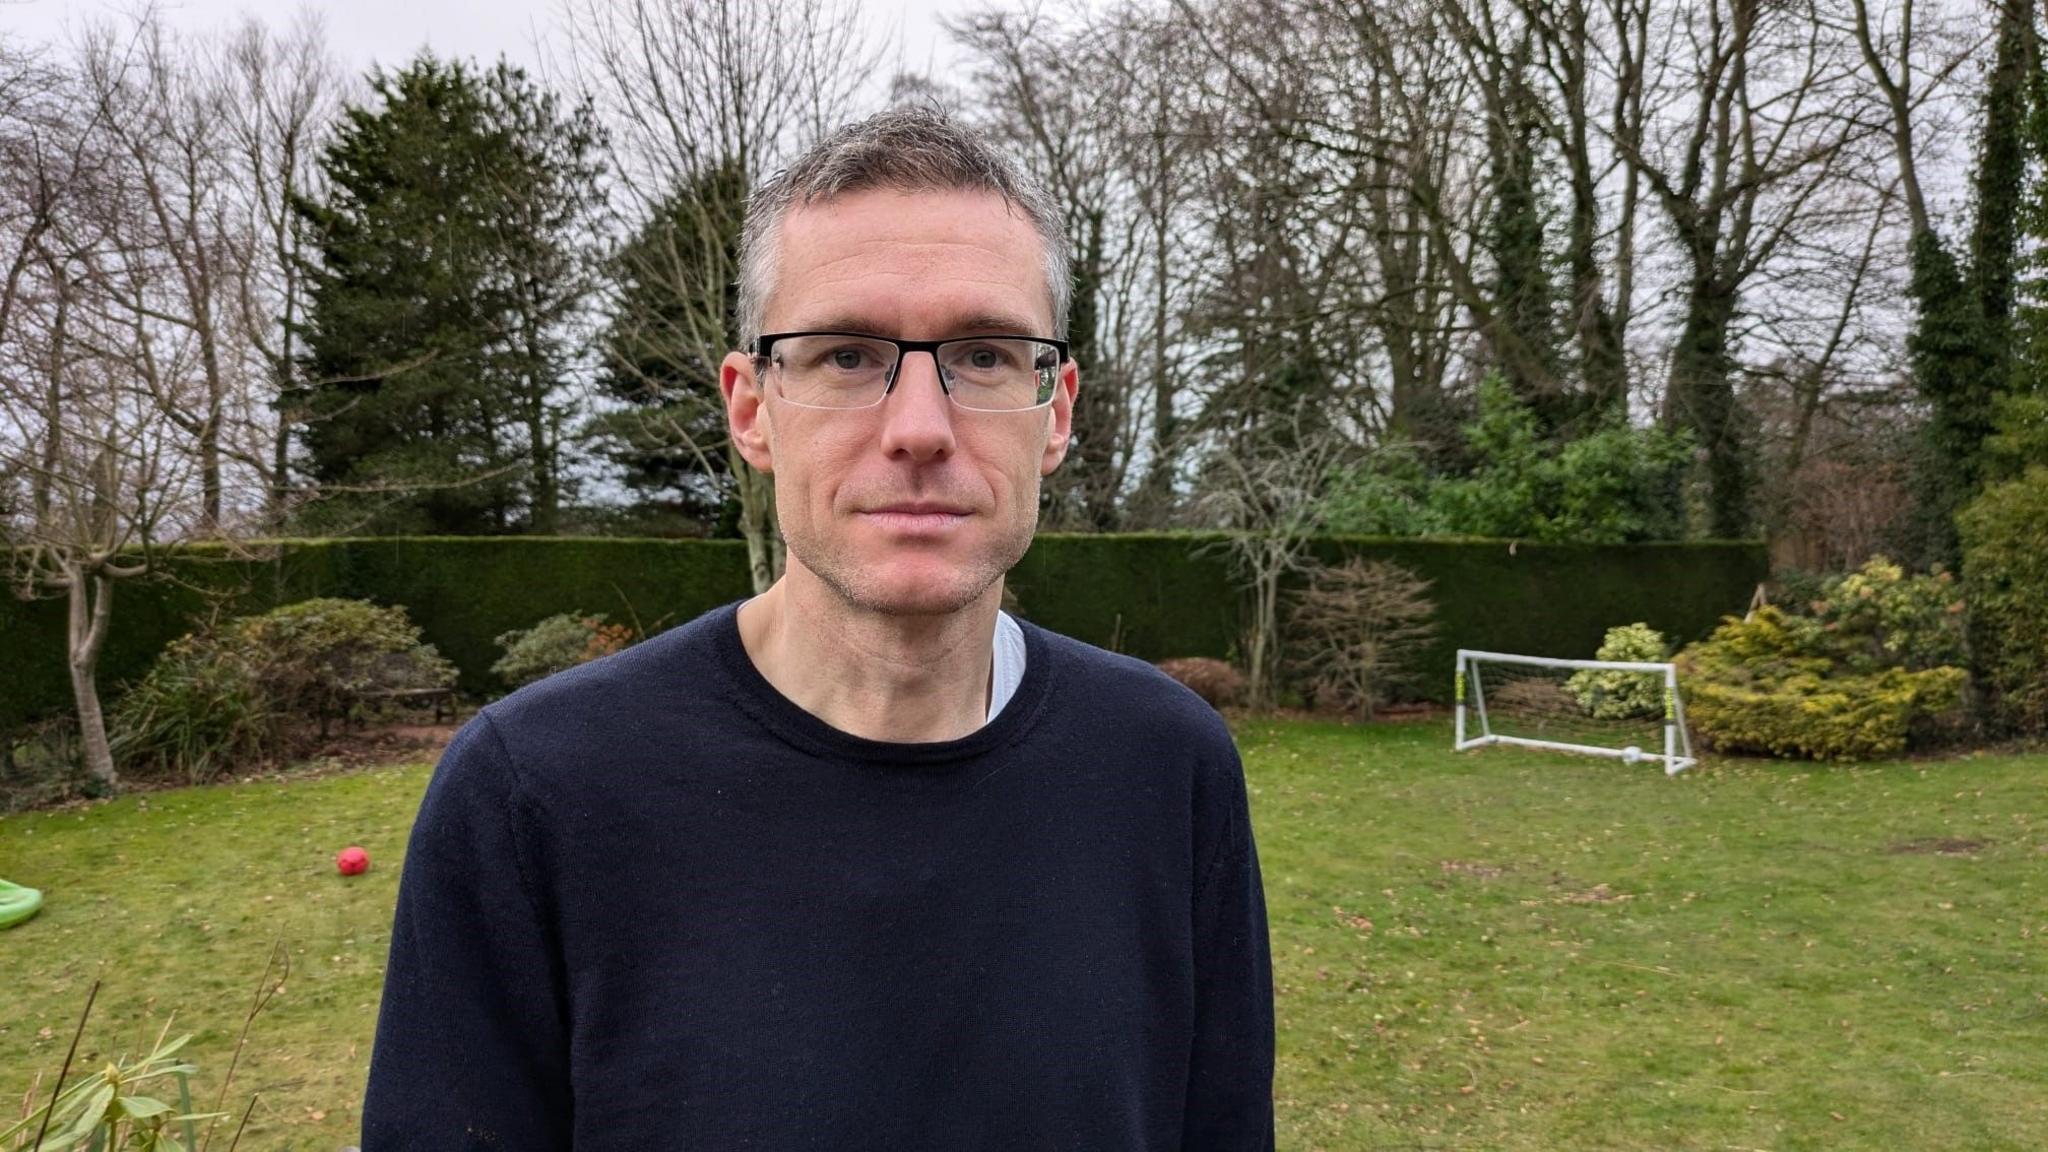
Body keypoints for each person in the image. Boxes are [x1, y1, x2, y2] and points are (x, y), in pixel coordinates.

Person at [360, 105, 1274, 1150]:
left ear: (1054, 410)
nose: (919, 429)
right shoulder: (533, 794)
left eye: (981, 354)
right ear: (752, 409)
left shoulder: (1166, 766)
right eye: (845, 354)